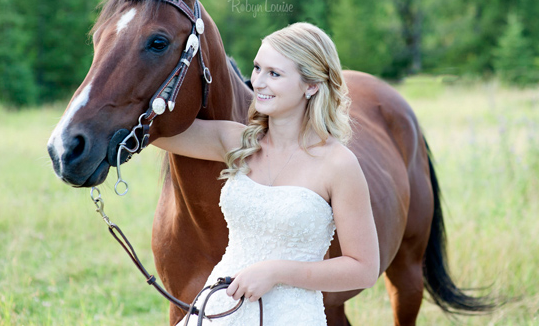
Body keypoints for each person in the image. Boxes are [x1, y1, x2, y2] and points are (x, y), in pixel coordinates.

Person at [153, 22, 380, 325]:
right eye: (258, 68)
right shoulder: (235, 141)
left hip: (291, 315)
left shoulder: (339, 164)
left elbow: (363, 268)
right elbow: (151, 130)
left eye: (274, 74)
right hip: (222, 306)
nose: (258, 82)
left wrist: (275, 272)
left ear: (311, 85)